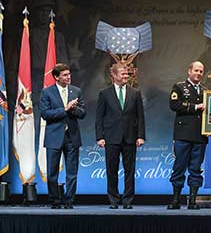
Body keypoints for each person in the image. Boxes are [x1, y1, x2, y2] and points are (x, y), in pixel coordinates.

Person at [96, 63, 145, 209]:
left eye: (127, 74)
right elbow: (99, 117)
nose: (126, 76)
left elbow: (140, 117)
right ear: (114, 76)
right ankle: (113, 200)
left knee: (130, 170)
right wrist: (100, 137)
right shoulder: (104, 94)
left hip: (130, 137)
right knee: (111, 170)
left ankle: (128, 200)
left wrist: (140, 136)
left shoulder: (135, 93)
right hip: (111, 137)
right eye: (123, 74)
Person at [39, 63, 86, 209]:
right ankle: (54, 200)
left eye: (69, 74)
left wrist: (73, 109)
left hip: (72, 137)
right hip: (54, 137)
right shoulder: (47, 92)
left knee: (72, 172)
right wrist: (64, 109)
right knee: (52, 172)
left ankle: (69, 200)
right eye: (65, 75)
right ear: (56, 77)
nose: (68, 77)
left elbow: (83, 113)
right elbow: (45, 114)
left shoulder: (76, 91)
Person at [167, 61, 207, 210]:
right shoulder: (179, 87)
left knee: (196, 169)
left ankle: (192, 201)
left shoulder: (205, 91)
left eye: (201, 71)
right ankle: (176, 200)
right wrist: (196, 107)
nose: (198, 73)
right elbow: (174, 105)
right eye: (196, 70)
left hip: (200, 136)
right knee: (179, 167)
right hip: (183, 135)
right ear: (189, 71)